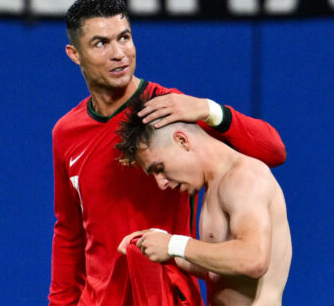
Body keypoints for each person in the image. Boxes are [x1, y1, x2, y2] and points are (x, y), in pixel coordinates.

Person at [49, 0, 287, 306]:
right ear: (74, 53)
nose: (119, 53)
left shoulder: (170, 110)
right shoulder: (66, 134)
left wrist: (208, 109)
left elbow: (273, 151)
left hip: (166, 297)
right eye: (101, 43)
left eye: (124, 37)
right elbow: (69, 233)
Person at [116, 93, 292, 306]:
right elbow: (221, 274)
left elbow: (253, 259)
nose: (161, 183)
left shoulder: (244, 176)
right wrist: (158, 245)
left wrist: (174, 244)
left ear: (182, 140)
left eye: (159, 169)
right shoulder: (213, 187)